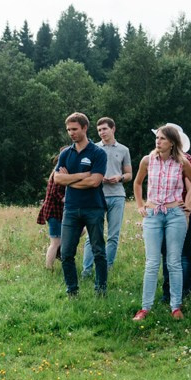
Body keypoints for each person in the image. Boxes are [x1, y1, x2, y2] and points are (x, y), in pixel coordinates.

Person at [132, 125, 191, 320]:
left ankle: (175, 306)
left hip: (174, 214)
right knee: (152, 262)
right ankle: (145, 308)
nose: (158, 141)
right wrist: (140, 205)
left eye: (162, 138)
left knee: (174, 262)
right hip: (153, 214)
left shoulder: (182, 162)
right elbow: (137, 183)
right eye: (157, 138)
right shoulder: (147, 160)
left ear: (172, 142)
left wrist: (187, 205)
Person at [55, 112, 109, 297]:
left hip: (93, 208)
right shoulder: (65, 153)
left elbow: (94, 182)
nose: (71, 133)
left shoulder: (98, 153)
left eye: (75, 129)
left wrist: (68, 179)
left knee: (98, 251)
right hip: (70, 208)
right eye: (69, 130)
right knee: (67, 252)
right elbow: (57, 178)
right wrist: (80, 176)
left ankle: (100, 290)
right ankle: (72, 291)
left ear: (85, 128)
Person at [82, 117, 133, 279]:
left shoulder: (124, 150)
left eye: (104, 129)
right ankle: (86, 270)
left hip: (117, 195)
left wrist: (120, 178)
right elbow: (86, 171)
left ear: (113, 129)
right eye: (99, 130)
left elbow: (129, 174)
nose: (102, 132)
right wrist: (98, 177)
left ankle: (106, 268)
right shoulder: (93, 148)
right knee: (92, 236)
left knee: (113, 235)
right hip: (96, 195)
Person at [159, 124, 191, 300]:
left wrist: (187, 211)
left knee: (184, 254)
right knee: (167, 254)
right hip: (163, 212)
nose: (159, 141)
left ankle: (184, 290)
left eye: (163, 138)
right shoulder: (157, 160)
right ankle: (169, 291)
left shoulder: (186, 160)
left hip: (183, 211)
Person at [36, 160, 65, 270]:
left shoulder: (58, 172)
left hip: (56, 212)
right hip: (54, 212)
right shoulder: (59, 173)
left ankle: (60, 252)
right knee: (54, 243)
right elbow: (56, 193)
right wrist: (72, 201)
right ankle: (49, 268)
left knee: (80, 231)